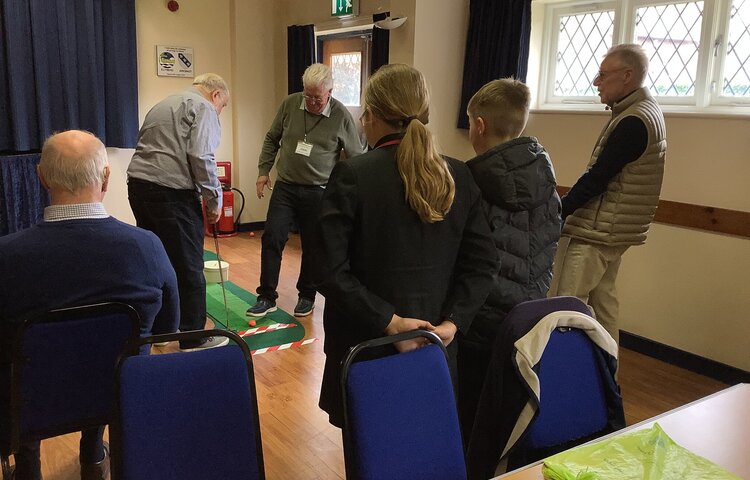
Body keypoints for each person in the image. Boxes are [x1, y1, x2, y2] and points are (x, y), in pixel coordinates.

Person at [315, 64, 498, 428]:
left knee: (371, 449)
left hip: (367, 345)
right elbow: (482, 264)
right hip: (437, 345)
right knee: (428, 443)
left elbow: (328, 270)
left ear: (372, 115)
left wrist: (390, 322)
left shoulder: (354, 175)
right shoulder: (459, 174)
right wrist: (452, 324)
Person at [0, 130, 179, 480]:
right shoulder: (148, 248)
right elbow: (166, 330)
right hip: (119, 396)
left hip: (29, 400)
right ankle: (94, 458)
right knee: (108, 357)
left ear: (42, 177)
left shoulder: (6, 257)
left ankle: (27, 467)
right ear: (107, 178)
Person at [458, 78, 562, 440]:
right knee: (507, 422)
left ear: (480, 125)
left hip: (478, 329)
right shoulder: (547, 182)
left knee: (468, 420)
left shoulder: (470, 184)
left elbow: (465, 261)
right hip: (529, 324)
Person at [548, 44, 667, 343]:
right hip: (614, 231)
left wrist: (558, 210)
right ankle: (607, 380)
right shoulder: (643, 111)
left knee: (567, 308)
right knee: (604, 307)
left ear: (627, 76)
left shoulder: (633, 120)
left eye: (603, 75)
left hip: (598, 232)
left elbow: (597, 179)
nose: (596, 82)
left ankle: (568, 380)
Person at [248, 63, 363, 319]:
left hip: (319, 190)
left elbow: (356, 156)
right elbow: (272, 138)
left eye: (317, 98)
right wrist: (263, 170)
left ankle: (307, 295)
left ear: (330, 92)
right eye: (307, 95)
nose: (311, 102)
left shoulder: (341, 116)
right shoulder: (290, 105)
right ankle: (266, 296)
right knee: (272, 238)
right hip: (286, 186)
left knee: (313, 246)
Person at [127, 73, 231, 351]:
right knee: (189, 267)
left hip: (138, 188)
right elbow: (201, 155)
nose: (220, 112)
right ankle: (193, 336)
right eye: (224, 106)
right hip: (172, 194)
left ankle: (161, 331)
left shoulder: (164, 103)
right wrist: (214, 199)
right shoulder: (204, 107)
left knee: (158, 261)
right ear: (216, 95)